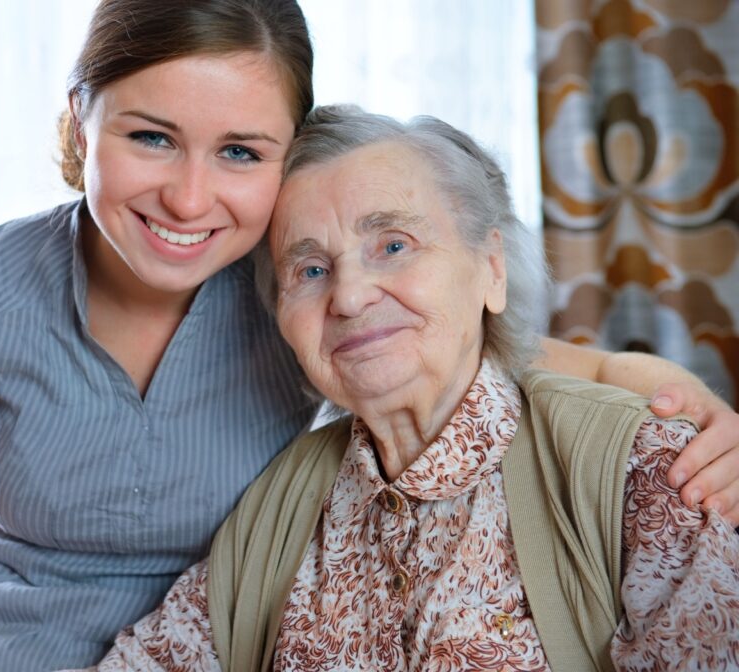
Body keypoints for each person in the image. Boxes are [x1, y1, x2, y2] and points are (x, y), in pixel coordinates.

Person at [0, 2, 739, 671]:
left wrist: (671, 399)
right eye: (150, 137)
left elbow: (471, 347)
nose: (189, 198)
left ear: (284, 158)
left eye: (240, 152)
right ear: (80, 121)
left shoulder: (294, 291)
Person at [76, 106, 739, 671]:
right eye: (310, 270)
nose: (350, 296)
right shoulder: (275, 512)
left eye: (393, 246)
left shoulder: (646, 468)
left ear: (491, 269)